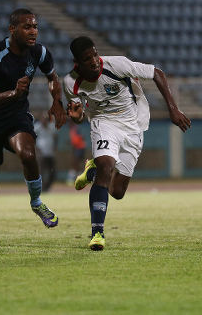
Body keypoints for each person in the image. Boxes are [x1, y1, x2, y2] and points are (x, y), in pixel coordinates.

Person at [64, 36, 191, 250]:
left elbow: (156, 73)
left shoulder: (118, 65)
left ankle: (91, 172)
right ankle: (97, 233)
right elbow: (77, 113)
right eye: (87, 59)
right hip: (103, 123)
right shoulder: (69, 82)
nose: (94, 61)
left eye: (95, 55)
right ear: (77, 63)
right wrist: (76, 117)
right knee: (106, 165)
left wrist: (173, 108)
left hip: (133, 124)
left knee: (117, 191)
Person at [0, 8, 66, 247]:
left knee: (27, 153)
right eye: (27, 27)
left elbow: (53, 78)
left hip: (16, 116)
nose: (33, 31)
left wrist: (57, 102)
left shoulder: (39, 52)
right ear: (12, 29)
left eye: (35, 26)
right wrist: (13, 92)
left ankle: (36, 203)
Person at [34, 115, 58, 192]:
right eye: (42, 119)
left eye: (45, 119)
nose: (44, 121)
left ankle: (47, 186)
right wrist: (36, 148)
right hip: (41, 153)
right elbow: (32, 138)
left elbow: (56, 137)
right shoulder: (37, 127)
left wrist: (55, 147)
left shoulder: (52, 127)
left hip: (50, 153)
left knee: (53, 171)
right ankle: (42, 187)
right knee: (41, 171)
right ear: (40, 120)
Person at [66, 120, 86, 185]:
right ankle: (78, 177)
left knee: (76, 163)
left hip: (79, 148)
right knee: (76, 163)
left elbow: (80, 138)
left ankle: (79, 178)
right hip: (78, 148)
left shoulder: (75, 129)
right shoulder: (72, 130)